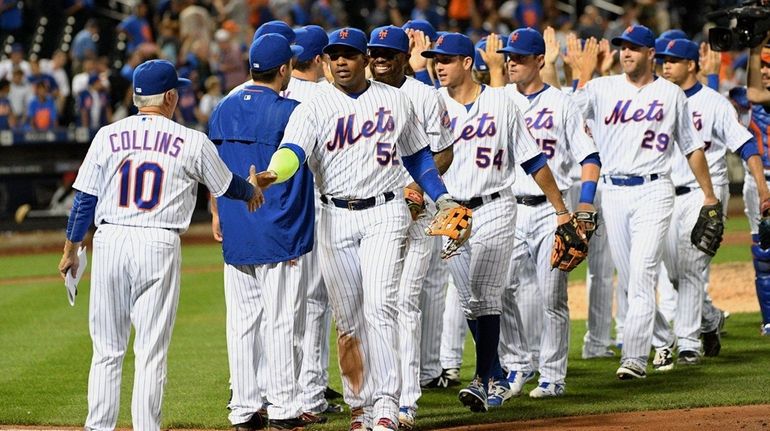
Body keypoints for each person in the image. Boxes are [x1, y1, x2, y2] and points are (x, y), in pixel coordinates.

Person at [255, 27, 467, 431]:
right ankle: (360, 406)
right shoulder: (315, 105)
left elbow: (419, 156)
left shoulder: (395, 99)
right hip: (334, 216)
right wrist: (273, 173)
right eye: (334, 55)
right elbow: (293, 151)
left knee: (381, 307)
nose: (339, 61)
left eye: (348, 54)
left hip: (386, 213)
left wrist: (441, 198)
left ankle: (387, 404)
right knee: (348, 320)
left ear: (365, 59)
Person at [57, 59, 264, 431]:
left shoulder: (107, 134)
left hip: (110, 241)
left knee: (107, 350)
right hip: (158, 243)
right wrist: (252, 190)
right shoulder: (191, 140)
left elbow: (84, 200)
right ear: (170, 96)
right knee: (150, 352)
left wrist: (71, 249)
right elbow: (226, 185)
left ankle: (98, 426)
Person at [420, 32, 575, 412]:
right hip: (449, 210)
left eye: (446, 59)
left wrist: (561, 209)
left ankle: (484, 379)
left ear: (468, 62)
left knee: (486, 293)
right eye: (435, 59)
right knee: (469, 301)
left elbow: (533, 159)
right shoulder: (430, 103)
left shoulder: (502, 103)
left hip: (495, 207)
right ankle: (496, 372)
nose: (438, 65)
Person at [572, 25, 719, 379]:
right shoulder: (602, 87)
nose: (626, 53)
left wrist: (709, 196)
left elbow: (691, 147)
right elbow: (567, 113)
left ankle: (635, 357)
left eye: (634, 49)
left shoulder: (670, 94)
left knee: (642, 273)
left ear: (650, 53)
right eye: (623, 47)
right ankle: (664, 337)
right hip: (613, 192)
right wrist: (584, 72)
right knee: (630, 278)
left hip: (655, 190)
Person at [208, 33, 325, 431]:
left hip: (237, 228)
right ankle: (283, 408)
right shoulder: (294, 110)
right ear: (284, 70)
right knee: (281, 321)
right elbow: (292, 159)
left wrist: (215, 212)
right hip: (280, 229)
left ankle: (244, 409)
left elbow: (213, 169)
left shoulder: (221, 109)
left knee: (241, 323)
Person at [483, 27, 600, 400]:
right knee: (499, 290)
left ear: (538, 60)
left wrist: (583, 205)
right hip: (507, 207)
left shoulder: (563, 103)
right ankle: (517, 364)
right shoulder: (498, 99)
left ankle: (552, 375)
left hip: (552, 210)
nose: (511, 61)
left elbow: (590, 157)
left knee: (552, 297)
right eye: (508, 56)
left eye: (519, 56)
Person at [656, 38, 769, 362]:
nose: (666, 65)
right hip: (665, 193)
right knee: (673, 274)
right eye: (663, 59)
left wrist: (762, 188)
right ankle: (710, 318)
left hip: (705, 193)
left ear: (692, 65)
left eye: (673, 60)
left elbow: (746, 145)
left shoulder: (713, 103)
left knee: (691, 266)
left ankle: (688, 342)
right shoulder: (658, 99)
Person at [366, 25, 454, 430]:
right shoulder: (361, 93)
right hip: (374, 213)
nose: (379, 58)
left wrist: (419, 187)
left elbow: (443, 153)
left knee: (404, 301)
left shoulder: (424, 95)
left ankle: (407, 399)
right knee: (375, 304)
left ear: (405, 57)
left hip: (417, 213)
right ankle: (380, 391)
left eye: (387, 52)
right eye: (375, 52)